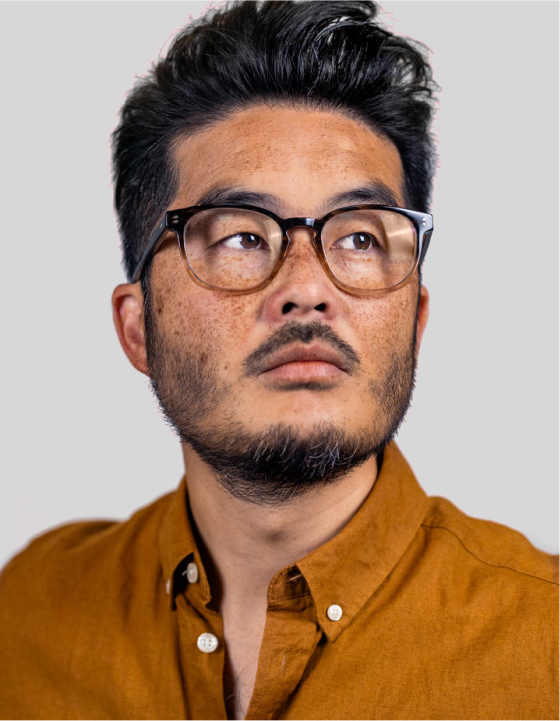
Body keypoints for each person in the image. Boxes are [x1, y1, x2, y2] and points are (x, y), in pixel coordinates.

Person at [0, 1, 557, 719]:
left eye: (360, 238)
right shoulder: (27, 614)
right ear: (138, 330)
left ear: (414, 320)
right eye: (239, 237)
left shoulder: (545, 644)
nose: (306, 289)